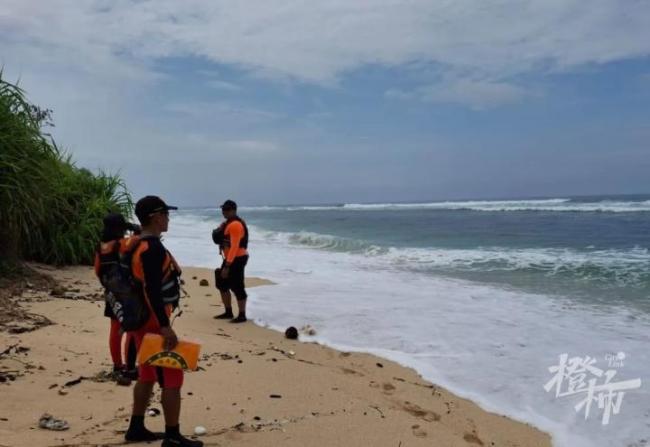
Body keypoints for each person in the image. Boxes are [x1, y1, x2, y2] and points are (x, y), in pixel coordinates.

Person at [124, 196, 202, 447]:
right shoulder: (153, 248)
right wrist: (165, 326)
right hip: (153, 321)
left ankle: (136, 427)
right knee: (172, 377)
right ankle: (172, 436)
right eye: (166, 214)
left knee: (146, 373)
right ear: (156, 217)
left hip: (137, 318)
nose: (168, 218)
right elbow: (153, 290)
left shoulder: (133, 244)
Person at [94, 213, 139, 384]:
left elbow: (97, 270)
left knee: (115, 330)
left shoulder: (101, 246)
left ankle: (117, 365)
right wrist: (134, 229)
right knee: (132, 330)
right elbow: (141, 238)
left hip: (111, 292)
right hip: (128, 293)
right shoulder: (122, 244)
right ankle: (129, 365)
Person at [213, 199, 249, 323]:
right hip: (230, 258)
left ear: (234, 210)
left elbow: (234, 246)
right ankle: (228, 312)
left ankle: (242, 315)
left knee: (237, 286)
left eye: (227, 210)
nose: (224, 212)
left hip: (237, 258)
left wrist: (227, 266)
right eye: (223, 209)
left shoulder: (235, 225)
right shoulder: (227, 223)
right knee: (221, 283)